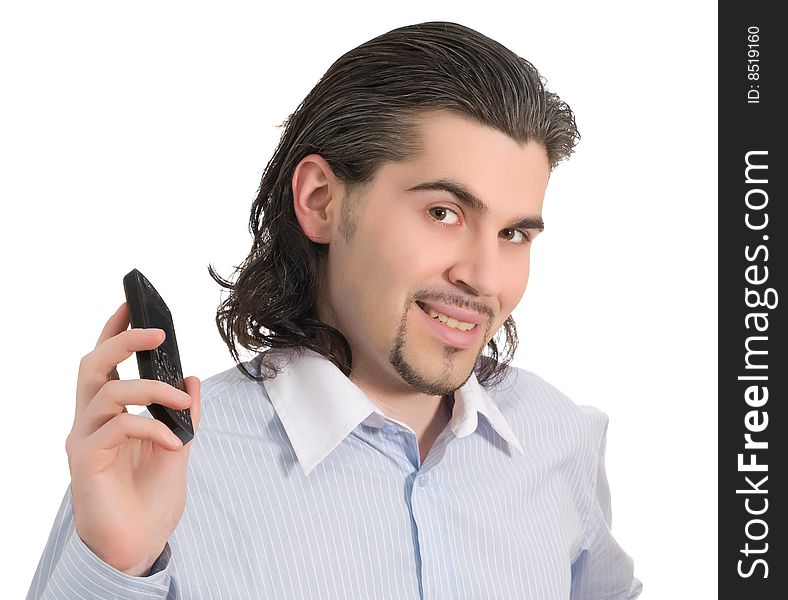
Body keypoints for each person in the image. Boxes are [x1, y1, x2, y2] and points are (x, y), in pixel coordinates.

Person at [26, 21, 641, 600]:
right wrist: (117, 567)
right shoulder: (162, 468)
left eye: (513, 234)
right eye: (443, 213)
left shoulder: (560, 439)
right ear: (320, 201)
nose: (483, 278)